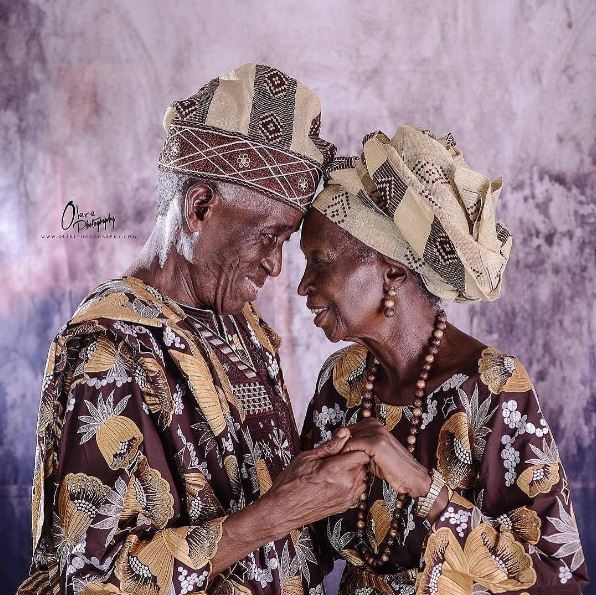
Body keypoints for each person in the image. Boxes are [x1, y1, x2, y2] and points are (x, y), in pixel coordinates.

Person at [18, 63, 371, 595]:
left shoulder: (243, 326)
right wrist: (275, 514)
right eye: (268, 236)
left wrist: (312, 486)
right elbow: (94, 582)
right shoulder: (106, 348)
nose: (276, 266)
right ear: (200, 207)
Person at [299, 126, 588, 594]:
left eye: (321, 261)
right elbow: (303, 545)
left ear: (391, 268)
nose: (303, 286)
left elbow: (557, 579)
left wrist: (423, 487)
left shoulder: (492, 385)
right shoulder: (343, 381)